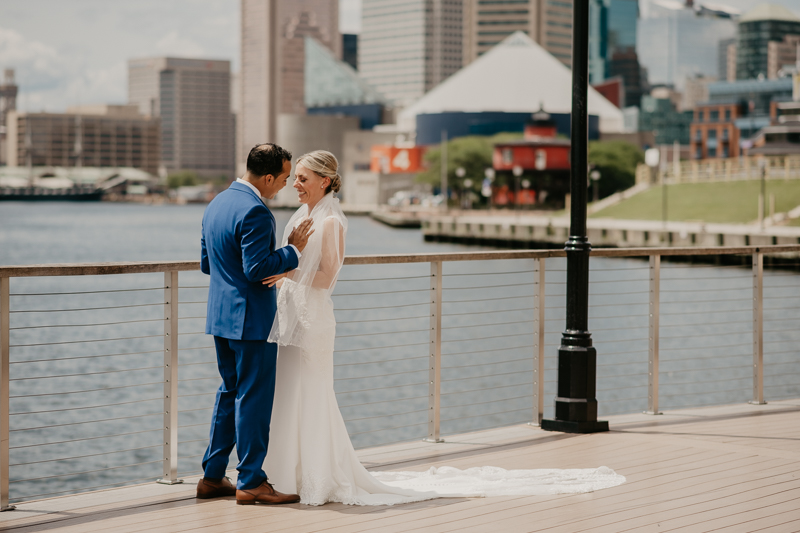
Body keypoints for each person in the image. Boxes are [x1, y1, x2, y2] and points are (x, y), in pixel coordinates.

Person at [262, 150, 626, 506]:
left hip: (314, 324)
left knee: (312, 395)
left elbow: (326, 278)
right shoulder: (297, 217)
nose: (295, 183)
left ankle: (317, 476)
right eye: (295, 177)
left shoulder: (331, 221)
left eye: (303, 178)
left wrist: (288, 272)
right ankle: (284, 473)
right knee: (289, 392)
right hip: (292, 319)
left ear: (324, 181)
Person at [197, 143, 314, 506]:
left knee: (229, 393)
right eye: (281, 179)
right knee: (254, 399)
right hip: (251, 321)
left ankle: (213, 477)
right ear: (266, 177)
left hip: (220, 317)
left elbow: (206, 264)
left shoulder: (216, 203)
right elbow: (256, 269)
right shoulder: (257, 212)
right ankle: (251, 481)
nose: (283, 185)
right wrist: (292, 250)